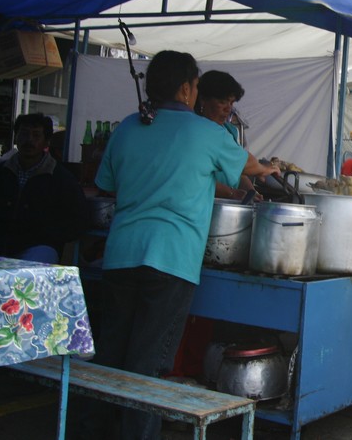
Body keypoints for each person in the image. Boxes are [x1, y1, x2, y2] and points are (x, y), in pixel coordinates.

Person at [82, 51, 278, 439]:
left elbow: (106, 184)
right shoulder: (205, 132)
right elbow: (248, 167)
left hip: (121, 254)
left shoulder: (127, 127)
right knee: (147, 361)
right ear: (188, 88)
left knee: (111, 354)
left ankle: (93, 431)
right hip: (170, 259)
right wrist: (270, 168)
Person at [0, 113, 88, 263]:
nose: (29, 140)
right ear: (16, 138)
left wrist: (49, 237)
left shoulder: (61, 178)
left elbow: (77, 219)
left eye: (36, 135)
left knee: (33, 268)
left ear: (46, 142)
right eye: (24, 134)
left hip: (39, 247)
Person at [195, 70, 264, 201]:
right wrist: (231, 193)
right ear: (203, 99)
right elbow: (194, 178)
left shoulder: (231, 132)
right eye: (222, 102)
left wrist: (251, 192)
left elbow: (239, 172)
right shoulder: (194, 132)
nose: (228, 109)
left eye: (231, 103)